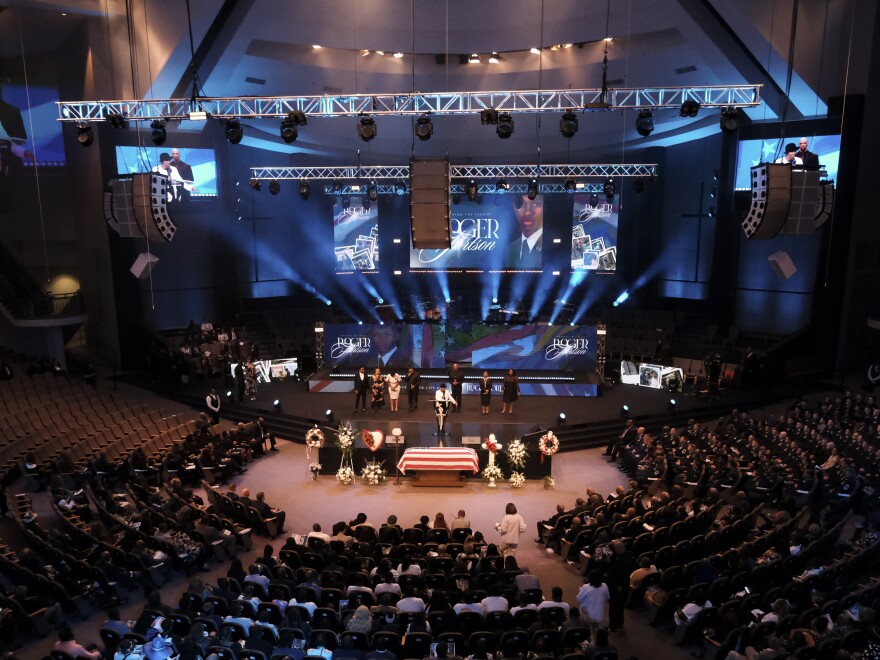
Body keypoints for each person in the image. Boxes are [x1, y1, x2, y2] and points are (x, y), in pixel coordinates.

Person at [504, 194, 544, 268]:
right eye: (520, 203)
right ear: (514, 208)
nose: (528, 212)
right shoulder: (511, 248)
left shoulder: (552, 246)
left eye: (536, 204)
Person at [576, 571, 610, 639]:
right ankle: (595, 630)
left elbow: (579, 599)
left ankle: (589, 634)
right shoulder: (605, 586)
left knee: (583, 607)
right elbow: (607, 598)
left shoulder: (586, 587)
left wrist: (580, 591)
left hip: (588, 615)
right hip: (599, 615)